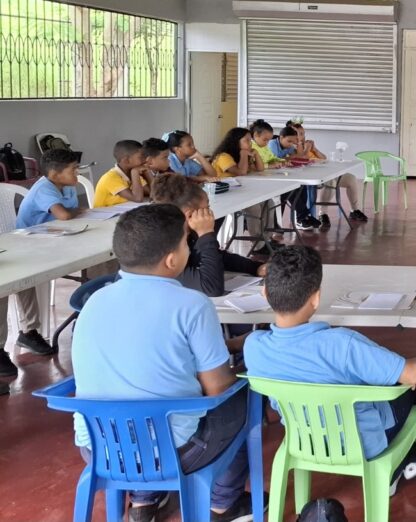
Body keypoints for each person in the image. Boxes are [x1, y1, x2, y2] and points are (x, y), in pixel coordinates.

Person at [71, 204, 255, 522]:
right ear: (172, 260)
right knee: (243, 396)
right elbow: (217, 387)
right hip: (175, 451)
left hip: (100, 447)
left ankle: (144, 502)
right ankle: (224, 504)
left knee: (142, 400)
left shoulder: (94, 301)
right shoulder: (192, 305)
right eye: (187, 243)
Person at [244, 245, 416, 495]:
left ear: (265, 293)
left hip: (303, 441)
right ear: (316, 298)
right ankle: (398, 466)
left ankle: (404, 463)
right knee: (410, 387)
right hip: (364, 443)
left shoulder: (253, 348)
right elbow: (411, 374)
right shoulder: (342, 344)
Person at [0, 148, 81, 375]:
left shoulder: (66, 187)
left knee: (22, 278)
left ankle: (28, 331)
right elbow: (66, 214)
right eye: (73, 169)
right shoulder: (44, 189)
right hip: (27, 244)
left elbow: (70, 213)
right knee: (7, 281)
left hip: (42, 243)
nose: (77, 173)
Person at [150, 173, 266, 297]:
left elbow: (212, 255)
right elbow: (211, 288)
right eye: (207, 207)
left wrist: (255, 267)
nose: (211, 212)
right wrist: (205, 234)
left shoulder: (185, 234)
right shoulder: (164, 246)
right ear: (189, 216)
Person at [289, 120, 368, 224]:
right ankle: (323, 214)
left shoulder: (307, 145)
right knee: (331, 182)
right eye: (300, 134)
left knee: (351, 178)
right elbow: (301, 160)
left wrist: (315, 149)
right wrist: (307, 149)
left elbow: (324, 158)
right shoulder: (291, 147)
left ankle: (354, 210)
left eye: (304, 133)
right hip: (313, 177)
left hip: (325, 172)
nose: (303, 136)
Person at [212, 127, 271, 249]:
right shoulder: (224, 156)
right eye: (247, 141)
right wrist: (244, 154)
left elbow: (260, 169)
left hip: (241, 192)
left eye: (250, 141)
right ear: (235, 141)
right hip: (225, 195)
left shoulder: (240, 155)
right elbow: (241, 172)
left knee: (268, 203)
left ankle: (266, 239)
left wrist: (256, 154)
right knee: (254, 208)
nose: (250, 144)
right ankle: (258, 244)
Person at [93, 139, 150, 208]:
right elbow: (137, 198)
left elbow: (153, 193)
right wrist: (135, 173)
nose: (145, 160)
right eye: (141, 157)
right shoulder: (111, 177)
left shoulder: (132, 173)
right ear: (126, 160)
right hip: (103, 216)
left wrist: (147, 172)